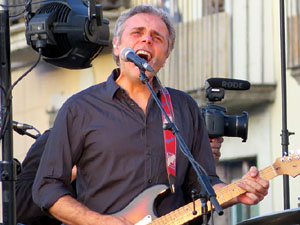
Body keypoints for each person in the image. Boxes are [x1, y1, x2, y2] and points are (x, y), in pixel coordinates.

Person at [32, 5, 269, 225]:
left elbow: (203, 184)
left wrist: (237, 192)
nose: (146, 39)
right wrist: (100, 222)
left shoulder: (184, 107)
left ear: (165, 55)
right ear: (117, 45)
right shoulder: (80, 108)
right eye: (137, 33)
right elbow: (47, 187)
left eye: (157, 37)